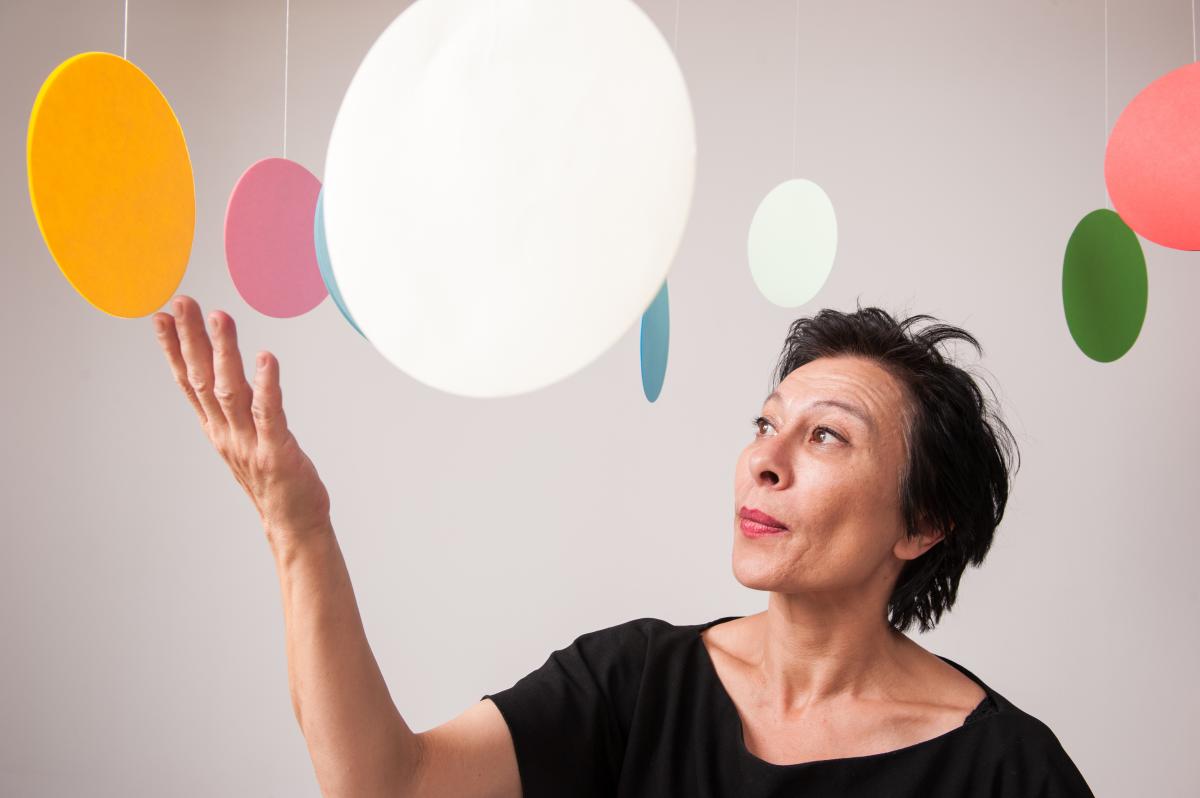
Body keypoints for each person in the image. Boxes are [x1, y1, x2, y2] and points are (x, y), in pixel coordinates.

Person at [152, 296, 1095, 797]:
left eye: (825, 436)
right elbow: (384, 787)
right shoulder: (635, 684)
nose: (764, 462)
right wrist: (298, 530)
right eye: (765, 424)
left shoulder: (1008, 770)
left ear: (922, 525)